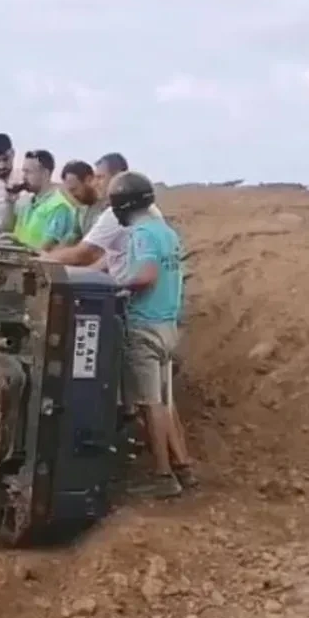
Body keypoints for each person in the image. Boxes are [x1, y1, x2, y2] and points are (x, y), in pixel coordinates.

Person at [108, 171, 195, 498]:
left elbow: (146, 275)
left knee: (150, 404)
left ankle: (162, 476)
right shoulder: (167, 233)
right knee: (165, 400)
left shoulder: (141, 234)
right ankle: (183, 468)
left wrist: (119, 286)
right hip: (168, 326)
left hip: (143, 326)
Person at [11, 149, 78, 251]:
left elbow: (47, 249)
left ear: (45, 173)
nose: (23, 177)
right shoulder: (27, 204)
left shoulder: (59, 207)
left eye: (28, 172)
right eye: (23, 172)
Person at [60, 160, 105, 238]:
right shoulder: (81, 208)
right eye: (69, 191)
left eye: (74, 189)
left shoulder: (105, 209)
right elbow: (74, 236)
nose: (72, 195)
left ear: (89, 180)